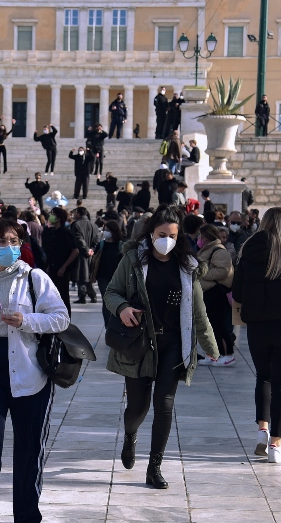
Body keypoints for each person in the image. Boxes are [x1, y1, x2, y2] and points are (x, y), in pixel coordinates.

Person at [0, 219, 69, 523]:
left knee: (28, 451)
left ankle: (27, 517)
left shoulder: (35, 278)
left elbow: (61, 319)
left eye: (12, 240)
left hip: (29, 374)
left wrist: (27, 320)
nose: (7, 247)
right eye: (0, 242)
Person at [104, 206, 219, 488]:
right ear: (151, 233)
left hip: (173, 344)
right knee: (138, 409)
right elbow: (111, 292)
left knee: (164, 404)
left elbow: (198, 312)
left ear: (179, 237)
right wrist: (122, 308)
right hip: (140, 343)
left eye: (172, 235)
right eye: (161, 234)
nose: (166, 239)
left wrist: (211, 346)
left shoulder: (187, 267)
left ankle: (154, 467)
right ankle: (131, 436)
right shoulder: (133, 260)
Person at [234, 208, 281, 464]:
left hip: (257, 326)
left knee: (263, 378)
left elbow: (238, 294)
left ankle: (262, 431)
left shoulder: (248, 251)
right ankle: (277, 444)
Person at [195, 225, 236, 367]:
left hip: (217, 293)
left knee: (219, 325)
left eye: (201, 236)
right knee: (210, 326)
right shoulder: (205, 251)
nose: (198, 239)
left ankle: (227, 354)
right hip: (207, 293)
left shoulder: (219, 251)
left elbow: (223, 271)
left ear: (207, 237)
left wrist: (202, 273)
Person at [42, 206, 78, 314]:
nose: (50, 216)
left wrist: (64, 266)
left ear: (59, 218)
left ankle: (66, 320)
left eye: (53, 214)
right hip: (51, 269)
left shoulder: (65, 232)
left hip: (62, 271)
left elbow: (75, 251)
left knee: (63, 296)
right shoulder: (50, 232)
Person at [95, 220, 123, 325]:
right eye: (104, 230)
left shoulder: (120, 245)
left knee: (116, 301)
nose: (105, 232)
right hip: (103, 277)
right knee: (106, 300)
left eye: (107, 230)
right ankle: (108, 325)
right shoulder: (101, 244)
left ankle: (116, 323)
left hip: (117, 278)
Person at [71, 207, 100, 304]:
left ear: (78, 214)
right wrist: (92, 249)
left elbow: (79, 239)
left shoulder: (76, 225)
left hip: (81, 253)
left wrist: (86, 250)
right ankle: (92, 295)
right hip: (91, 254)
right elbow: (97, 239)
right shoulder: (94, 225)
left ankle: (82, 296)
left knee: (81, 275)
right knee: (88, 275)